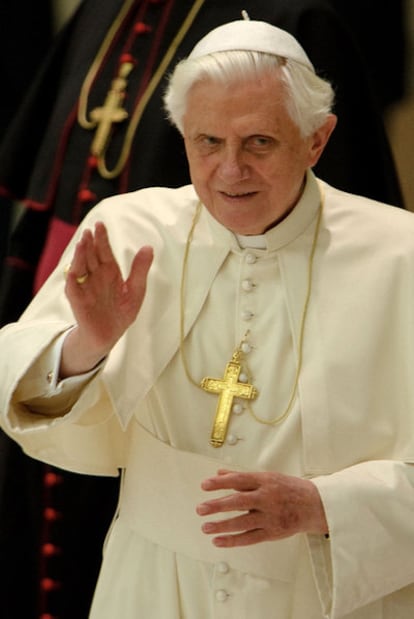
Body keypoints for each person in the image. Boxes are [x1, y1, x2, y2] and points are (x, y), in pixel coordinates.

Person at [1, 16, 414, 619]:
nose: (229, 171)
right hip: (150, 587)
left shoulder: (400, 255)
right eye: (208, 142)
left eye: (260, 143)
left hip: (325, 592)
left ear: (317, 140)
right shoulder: (126, 230)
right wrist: (87, 345)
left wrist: (327, 506)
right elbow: (19, 388)